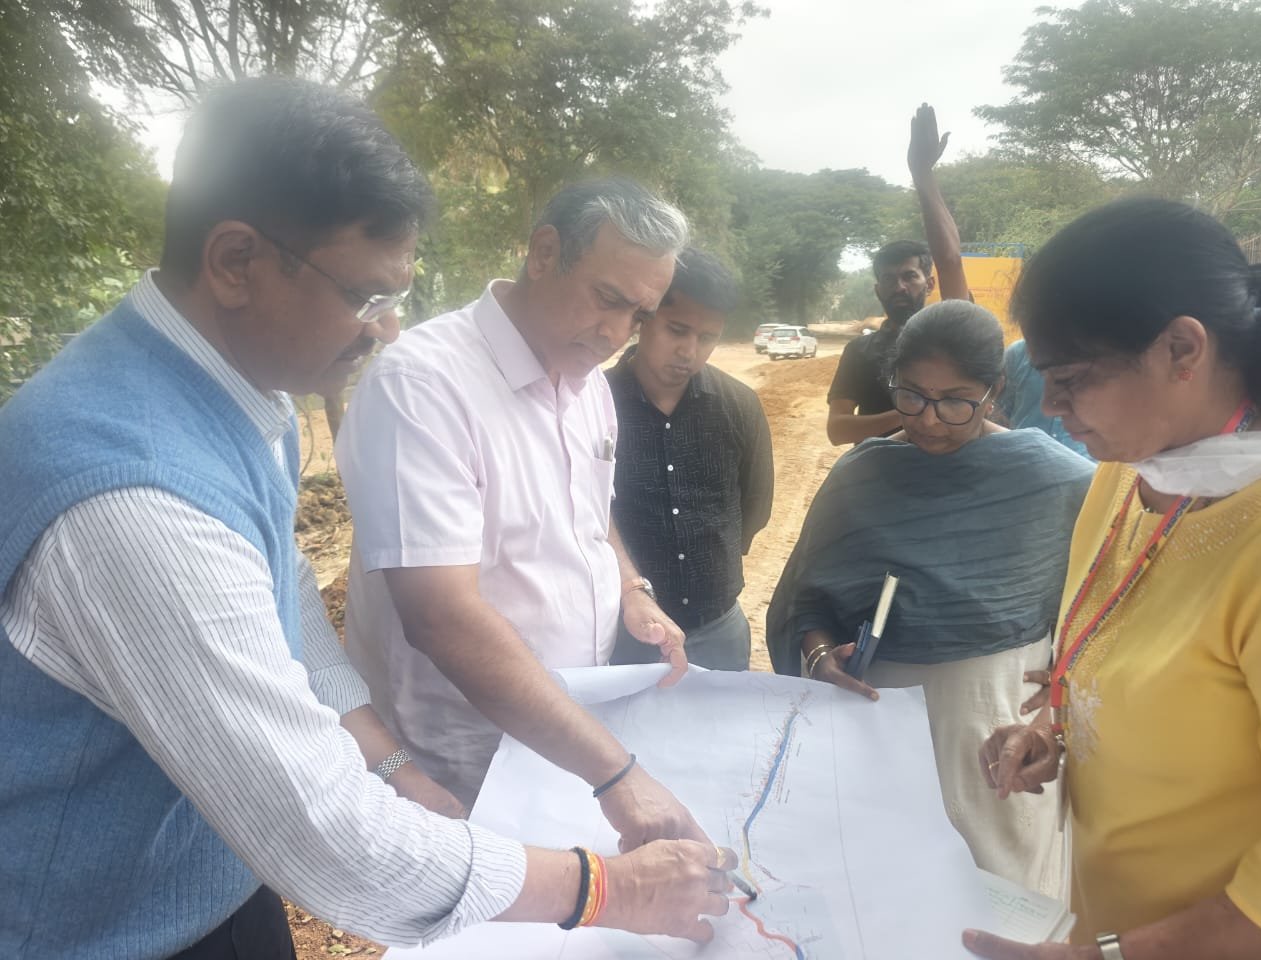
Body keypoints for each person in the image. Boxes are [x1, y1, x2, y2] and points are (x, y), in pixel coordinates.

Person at [0, 78, 735, 959]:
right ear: (236, 262)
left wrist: (382, 756)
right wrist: (608, 887)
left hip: (206, 874)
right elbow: (325, 833)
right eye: (365, 297)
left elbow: (289, 601)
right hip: (104, 926)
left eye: (398, 298)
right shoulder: (135, 504)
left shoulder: (239, 397)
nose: (385, 331)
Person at [335, 178, 708, 838]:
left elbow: (590, 517)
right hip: (466, 765)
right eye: (608, 300)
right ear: (543, 253)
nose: (616, 333)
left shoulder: (586, 382)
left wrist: (631, 587)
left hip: (570, 742)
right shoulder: (423, 386)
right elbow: (442, 617)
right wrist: (616, 773)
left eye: (638, 316)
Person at [967, 199, 1261, 960]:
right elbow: (1125, 649)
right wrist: (1057, 728)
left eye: (1073, 379)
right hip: (1109, 920)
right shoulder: (1128, 475)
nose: (1052, 409)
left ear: (1182, 349)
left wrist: (1106, 956)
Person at [769, 300, 1094, 897]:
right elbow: (806, 603)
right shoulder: (861, 476)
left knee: (998, 897)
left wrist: (1056, 716)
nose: (930, 420)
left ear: (995, 388)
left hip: (1000, 739)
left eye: (956, 400)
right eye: (912, 395)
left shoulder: (1058, 481)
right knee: (882, 895)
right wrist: (819, 658)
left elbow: (1095, 619)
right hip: (876, 733)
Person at [607, 248, 774, 671]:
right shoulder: (594, 404)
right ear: (644, 318)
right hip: (622, 631)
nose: (689, 351)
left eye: (707, 337)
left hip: (718, 628)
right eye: (677, 330)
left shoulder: (738, 405)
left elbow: (755, 505)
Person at [827, 103, 971, 446]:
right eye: (890, 280)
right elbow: (837, 431)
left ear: (930, 283)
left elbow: (950, 258)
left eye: (910, 276)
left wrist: (922, 175)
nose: (900, 286)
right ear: (878, 290)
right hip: (881, 484)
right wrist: (909, 412)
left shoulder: (950, 333)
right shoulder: (859, 351)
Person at [996, 339, 1092, 458]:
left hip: (1088, 467)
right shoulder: (1017, 354)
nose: (1048, 407)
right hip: (1023, 460)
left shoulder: (1100, 354)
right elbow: (1000, 414)